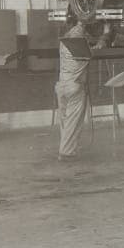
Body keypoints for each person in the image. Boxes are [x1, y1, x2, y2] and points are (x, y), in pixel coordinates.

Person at [56, 14, 92, 162]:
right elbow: (93, 52)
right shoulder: (79, 44)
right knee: (73, 122)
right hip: (74, 87)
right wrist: (105, 36)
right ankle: (66, 153)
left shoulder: (64, 42)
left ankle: (67, 149)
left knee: (65, 122)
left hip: (61, 86)